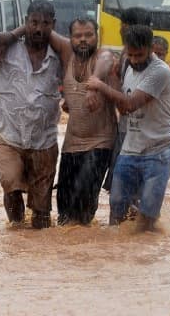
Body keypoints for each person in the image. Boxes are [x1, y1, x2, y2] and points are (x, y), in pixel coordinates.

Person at [0, 0, 66, 229]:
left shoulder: (60, 54)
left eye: (45, 23)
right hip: (10, 138)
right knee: (10, 184)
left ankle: (34, 256)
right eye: (33, 22)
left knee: (41, 212)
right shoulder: (5, 48)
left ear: (54, 25)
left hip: (45, 141)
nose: (38, 29)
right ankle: (16, 234)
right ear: (25, 22)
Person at [86, 24, 170, 232]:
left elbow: (129, 104)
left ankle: (144, 251)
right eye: (131, 54)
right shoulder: (126, 63)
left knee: (147, 213)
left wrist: (100, 87)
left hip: (159, 149)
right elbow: (122, 102)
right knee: (117, 203)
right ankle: (118, 252)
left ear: (151, 49)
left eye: (140, 55)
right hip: (131, 148)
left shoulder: (160, 72)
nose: (135, 60)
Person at [56, 18, 116, 225]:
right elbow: (46, 33)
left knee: (83, 201)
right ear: (70, 38)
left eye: (89, 35)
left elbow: (108, 58)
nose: (83, 40)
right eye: (78, 36)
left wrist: (94, 85)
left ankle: (84, 248)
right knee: (63, 207)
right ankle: (69, 253)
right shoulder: (67, 55)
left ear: (97, 36)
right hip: (71, 144)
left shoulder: (102, 57)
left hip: (100, 143)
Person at [102, 7, 153, 193]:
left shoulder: (148, 63)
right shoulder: (127, 56)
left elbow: (126, 106)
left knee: (127, 188)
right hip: (128, 129)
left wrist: (107, 84)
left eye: (123, 27)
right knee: (122, 189)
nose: (120, 31)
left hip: (139, 134)